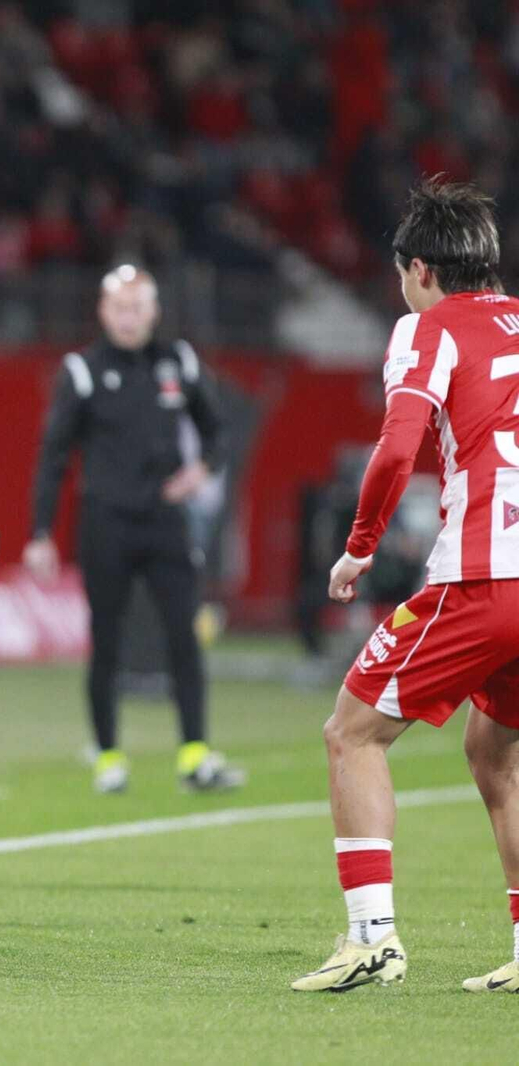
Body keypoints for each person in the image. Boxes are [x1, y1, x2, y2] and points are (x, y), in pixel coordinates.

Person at [292, 180, 519, 994]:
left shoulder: (426, 330)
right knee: (496, 756)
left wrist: (358, 550)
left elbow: (395, 452)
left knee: (351, 733)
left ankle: (371, 937)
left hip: (483, 576)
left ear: (421, 268)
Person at [23, 264, 242, 794]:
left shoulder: (178, 362)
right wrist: (40, 533)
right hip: (106, 524)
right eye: (119, 307)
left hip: (165, 522)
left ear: (154, 311)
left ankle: (195, 756)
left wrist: (201, 472)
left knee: (182, 637)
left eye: (137, 307)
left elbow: (217, 432)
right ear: (103, 311)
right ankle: (108, 757)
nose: (128, 318)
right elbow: (53, 457)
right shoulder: (82, 370)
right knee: (107, 640)